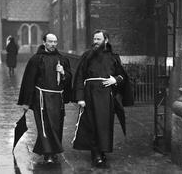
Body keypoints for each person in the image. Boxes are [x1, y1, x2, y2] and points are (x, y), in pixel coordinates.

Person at [72, 30, 133, 166]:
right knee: (92, 124)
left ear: (106, 40)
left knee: (105, 125)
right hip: (90, 94)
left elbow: (123, 76)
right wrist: (80, 97)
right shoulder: (87, 56)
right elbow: (80, 77)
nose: (95, 42)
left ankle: (103, 150)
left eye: (98, 39)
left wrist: (115, 80)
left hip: (106, 96)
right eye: (94, 39)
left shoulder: (113, 57)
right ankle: (96, 154)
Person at [17, 33, 72, 164]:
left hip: (57, 98)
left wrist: (63, 72)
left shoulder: (62, 59)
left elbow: (69, 78)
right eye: (50, 42)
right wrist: (26, 102)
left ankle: (52, 151)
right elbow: (29, 81)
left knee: (56, 126)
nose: (53, 44)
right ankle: (48, 154)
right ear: (44, 42)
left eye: (55, 42)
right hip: (41, 98)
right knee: (45, 126)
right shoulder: (36, 59)